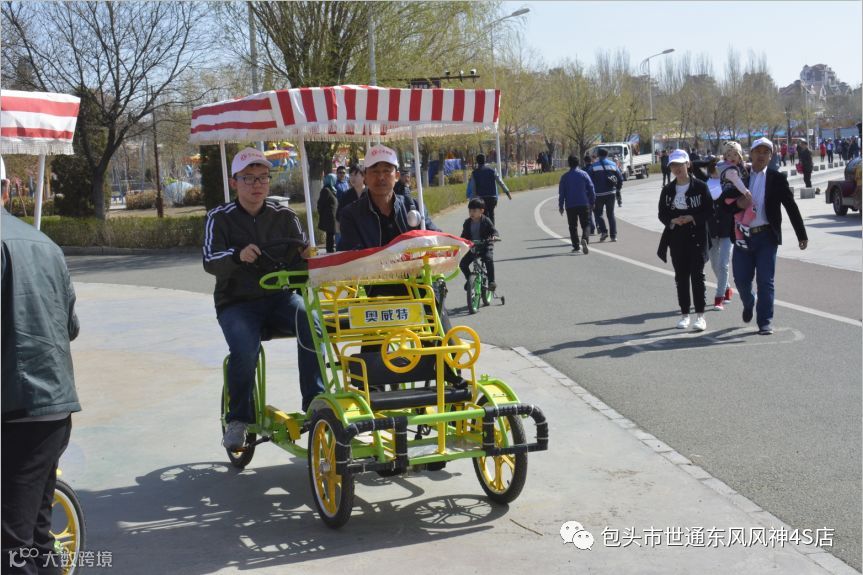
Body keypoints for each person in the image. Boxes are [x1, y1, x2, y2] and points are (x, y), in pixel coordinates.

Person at [203, 147, 325, 450]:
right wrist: (236, 255)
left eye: (262, 178)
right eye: (248, 178)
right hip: (236, 303)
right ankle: (238, 419)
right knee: (245, 348)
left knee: (312, 323)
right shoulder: (219, 218)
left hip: (279, 298)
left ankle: (315, 401)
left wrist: (305, 257)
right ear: (234, 183)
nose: (256, 184)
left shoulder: (285, 216)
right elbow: (209, 260)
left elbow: (300, 265)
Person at [2, 156, 82, 574]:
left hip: (14, 409)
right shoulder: (46, 244)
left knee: (11, 546)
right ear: (5, 191)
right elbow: (70, 326)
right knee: (34, 537)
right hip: (53, 409)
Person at [725, 138, 808, 335]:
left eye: (766, 152)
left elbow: (790, 206)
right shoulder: (739, 175)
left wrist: (801, 234)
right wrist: (738, 205)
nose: (761, 155)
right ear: (751, 154)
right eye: (758, 151)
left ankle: (765, 321)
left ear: (771, 156)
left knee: (766, 281)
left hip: (766, 237)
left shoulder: (776, 178)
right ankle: (749, 301)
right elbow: (723, 204)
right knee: (741, 280)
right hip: (742, 236)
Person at [338, 145, 438, 251]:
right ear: (365, 177)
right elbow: (354, 255)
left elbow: (437, 239)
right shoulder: (351, 215)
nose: (381, 177)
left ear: (397, 176)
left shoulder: (414, 207)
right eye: (375, 171)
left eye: (387, 171)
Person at [657, 149, 713, 331]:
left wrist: (692, 218)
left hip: (697, 238)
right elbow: (662, 214)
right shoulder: (667, 190)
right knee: (681, 277)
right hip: (677, 238)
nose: (677, 168)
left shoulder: (701, 187)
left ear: (688, 164)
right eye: (673, 165)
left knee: (697, 276)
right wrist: (672, 220)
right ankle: (684, 315)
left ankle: (700, 316)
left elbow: (709, 211)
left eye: (680, 164)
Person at [692, 156, 734, 310]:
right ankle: (727, 287)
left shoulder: (728, 183)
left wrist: (725, 163)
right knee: (715, 265)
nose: (717, 170)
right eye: (714, 167)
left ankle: (719, 297)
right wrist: (710, 162)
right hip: (710, 230)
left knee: (723, 264)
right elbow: (693, 165)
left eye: (720, 167)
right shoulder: (705, 181)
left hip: (727, 229)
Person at [459, 198, 499, 291]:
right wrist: (460, 241)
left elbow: (494, 231)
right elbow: (464, 235)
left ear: (481, 211)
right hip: (473, 247)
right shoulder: (467, 222)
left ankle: (491, 282)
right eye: (470, 211)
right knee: (463, 264)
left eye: (474, 211)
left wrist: (494, 236)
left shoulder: (486, 221)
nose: (471, 213)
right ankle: (470, 280)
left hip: (485, 246)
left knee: (488, 259)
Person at [558, 155, 595, 254]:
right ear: (578, 163)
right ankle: (585, 239)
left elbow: (562, 193)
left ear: (569, 164)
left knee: (572, 226)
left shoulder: (564, 177)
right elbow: (591, 188)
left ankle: (576, 246)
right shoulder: (584, 174)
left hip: (570, 205)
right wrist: (592, 201)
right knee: (586, 224)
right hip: (583, 203)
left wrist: (561, 206)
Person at [588, 148, 623, 242]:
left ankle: (604, 232)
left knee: (598, 214)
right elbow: (620, 178)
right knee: (610, 214)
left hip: (598, 194)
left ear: (598, 155)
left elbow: (589, 181)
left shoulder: (593, 166)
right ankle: (613, 236)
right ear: (607, 155)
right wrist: (618, 189)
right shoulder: (613, 165)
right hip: (611, 193)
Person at [466, 153, 511, 224]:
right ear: (485, 160)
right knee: (491, 214)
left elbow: (473, 188)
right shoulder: (492, 171)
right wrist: (507, 192)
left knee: (483, 216)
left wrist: (473, 200)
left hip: (481, 199)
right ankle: (492, 229)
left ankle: (486, 229)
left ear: (477, 161)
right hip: (492, 197)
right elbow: (500, 182)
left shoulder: (474, 173)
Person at [317, 173, 338, 253]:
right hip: (329, 218)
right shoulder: (326, 190)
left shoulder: (332, 189)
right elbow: (320, 204)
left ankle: (330, 249)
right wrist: (323, 214)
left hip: (333, 217)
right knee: (330, 234)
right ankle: (330, 250)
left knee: (331, 234)